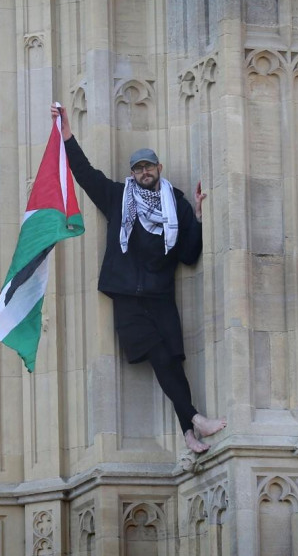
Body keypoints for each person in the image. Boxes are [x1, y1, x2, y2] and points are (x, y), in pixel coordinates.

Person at [51, 103, 226, 453]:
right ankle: (195, 420)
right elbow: (85, 174)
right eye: (138, 167)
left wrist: (201, 216)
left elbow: (189, 255)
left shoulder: (175, 203)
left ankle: (189, 432)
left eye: (149, 165)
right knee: (159, 357)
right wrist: (66, 135)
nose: (144, 171)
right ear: (133, 174)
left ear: (159, 168)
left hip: (160, 294)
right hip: (128, 296)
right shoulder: (118, 196)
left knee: (173, 359)